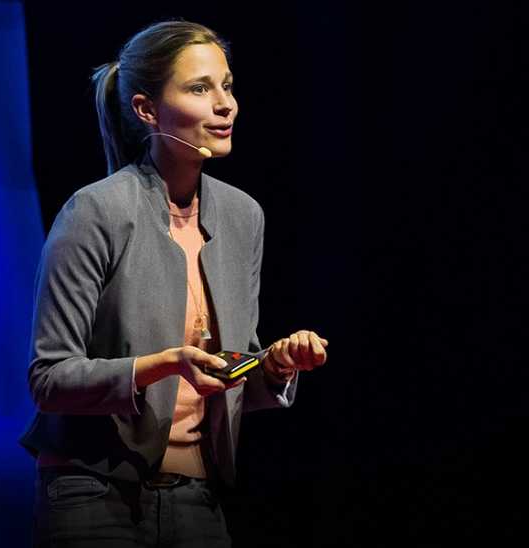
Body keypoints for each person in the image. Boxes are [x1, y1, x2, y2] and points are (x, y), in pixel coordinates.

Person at [19, 19, 329, 548]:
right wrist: (165, 364)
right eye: (199, 88)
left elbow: (230, 376)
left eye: (227, 85)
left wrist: (271, 365)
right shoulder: (96, 211)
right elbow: (49, 379)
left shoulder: (242, 216)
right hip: (93, 492)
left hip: (197, 496)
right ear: (146, 110)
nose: (224, 104)